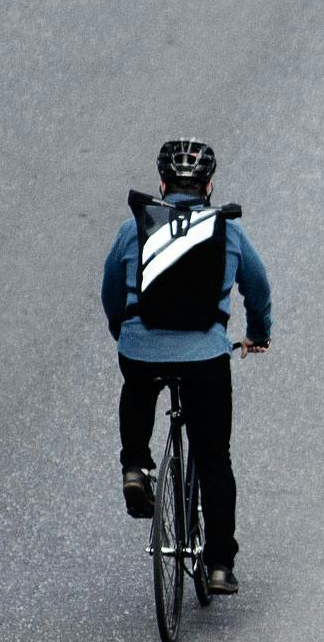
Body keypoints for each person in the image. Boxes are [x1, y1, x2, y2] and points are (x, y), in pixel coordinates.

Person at [100, 138, 272, 595]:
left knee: (137, 384)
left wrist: (127, 333)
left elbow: (110, 293)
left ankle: (135, 466)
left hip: (141, 347)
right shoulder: (228, 231)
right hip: (205, 358)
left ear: (161, 182)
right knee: (215, 458)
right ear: (209, 186)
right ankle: (218, 565)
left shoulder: (131, 229)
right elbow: (258, 288)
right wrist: (258, 333)